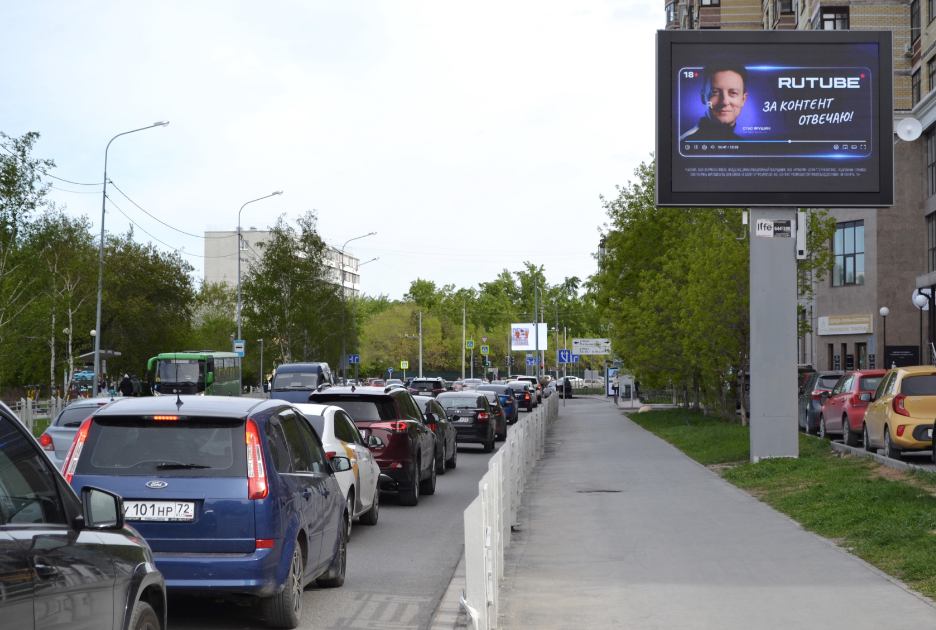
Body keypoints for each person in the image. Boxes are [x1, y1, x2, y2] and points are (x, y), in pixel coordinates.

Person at [680, 58, 748, 142]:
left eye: (733, 93)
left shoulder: (744, 145)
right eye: (715, 92)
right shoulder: (684, 143)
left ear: (743, 99)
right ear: (703, 97)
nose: (724, 102)